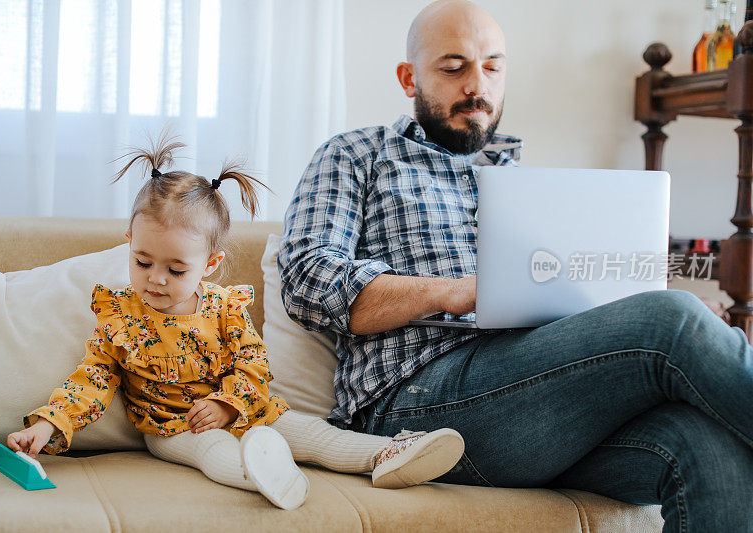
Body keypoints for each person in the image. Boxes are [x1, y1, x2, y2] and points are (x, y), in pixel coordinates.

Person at [279, 0, 753, 529]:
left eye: (492, 67)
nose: (475, 85)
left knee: (704, 447)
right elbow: (305, 278)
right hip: (414, 406)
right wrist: (451, 291)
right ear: (409, 78)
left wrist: (613, 300)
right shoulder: (355, 155)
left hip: (534, 401)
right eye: (454, 67)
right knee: (676, 320)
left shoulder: (523, 182)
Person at [6, 134, 465, 511]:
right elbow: (90, 382)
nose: (156, 279)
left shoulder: (225, 309)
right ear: (129, 241)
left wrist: (229, 405)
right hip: (175, 429)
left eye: (176, 269)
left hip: (244, 407)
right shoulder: (120, 318)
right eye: (142, 261)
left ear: (210, 264)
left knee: (310, 432)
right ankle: (274, 475)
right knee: (215, 453)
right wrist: (47, 426)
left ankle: (390, 453)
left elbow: (254, 363)